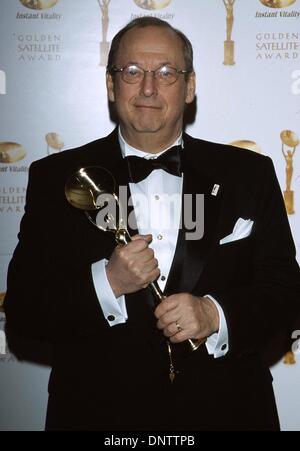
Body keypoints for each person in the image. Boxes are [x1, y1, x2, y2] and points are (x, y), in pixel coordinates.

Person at [4, 17, 300, 431]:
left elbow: (286, 291)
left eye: (165, 73)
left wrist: (215, 315)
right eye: (131, 72)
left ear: (190, 86)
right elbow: (22, 310)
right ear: (111, 85)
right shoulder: (56, 178)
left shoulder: (248, 174)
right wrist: (107, 283)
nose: (147, 88)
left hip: (228, 411)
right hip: (98, 416)